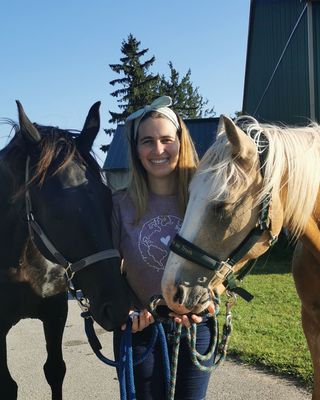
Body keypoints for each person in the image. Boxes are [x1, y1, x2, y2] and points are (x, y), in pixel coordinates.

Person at [111, 96, 215, 400]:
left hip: (196, 328)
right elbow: (108, 271)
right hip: (140, 330)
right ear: (136, 149)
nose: (158, 150)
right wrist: (125, 310)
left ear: (180, 142)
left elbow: (224, 258)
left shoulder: (203, 199)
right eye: (147, 141)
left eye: (166, 139)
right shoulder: (120, 204)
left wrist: (210, 297)